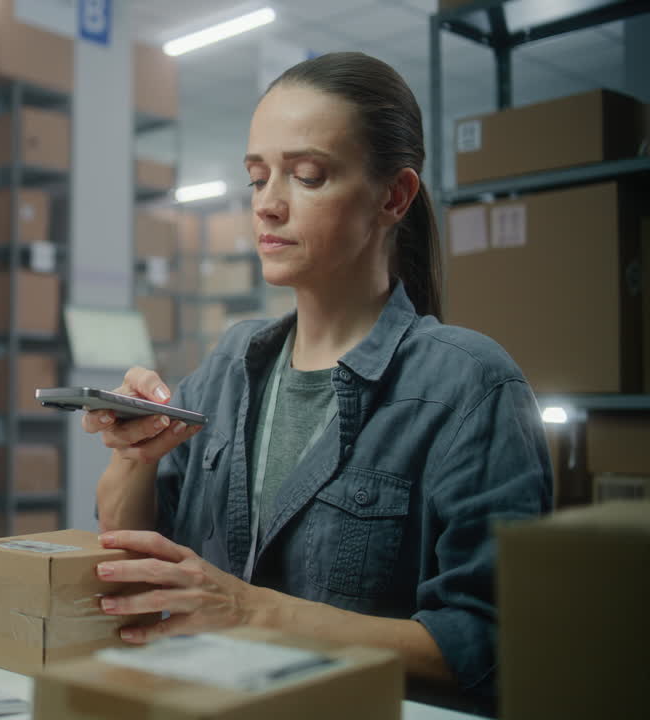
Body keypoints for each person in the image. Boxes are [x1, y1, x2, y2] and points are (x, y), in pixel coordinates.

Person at [85, 52, 551, 714]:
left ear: (394, 196)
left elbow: (487, 647)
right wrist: (133, 460)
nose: (268, 206)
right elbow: (134, 569)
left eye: (307, 176)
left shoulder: (469, 387)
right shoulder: (228, 365)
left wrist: (250, 610)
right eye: (256, 179)